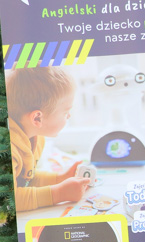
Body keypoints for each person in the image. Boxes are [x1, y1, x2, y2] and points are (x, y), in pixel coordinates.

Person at [6, 67, 90, 212]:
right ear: (37, 118)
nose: (68, 116)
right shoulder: (11, 149)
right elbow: (11, 198)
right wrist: (58, 193)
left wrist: (60, 178)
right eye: (66, 112)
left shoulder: (35, 139)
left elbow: (26, 178)